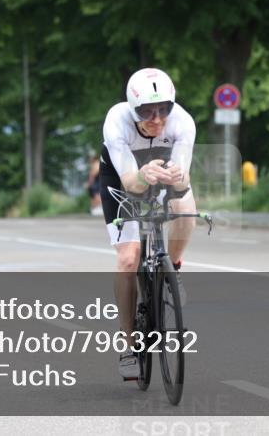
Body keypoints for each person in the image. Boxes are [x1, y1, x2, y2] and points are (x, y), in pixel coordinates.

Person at [99, 67, 197, 380]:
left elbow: (182, 181)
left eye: (163, 109)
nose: (156, 119)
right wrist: (143, 175)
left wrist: (177, 177)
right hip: (123, 179)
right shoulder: (116, 121)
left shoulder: (182, 121)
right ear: (132, 110)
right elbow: (131, 182)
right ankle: (127, 344)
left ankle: (174, 269)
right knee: (128, 259)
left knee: (183, 207)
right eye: (146, 112)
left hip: (163, 172)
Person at [85, 152, 102, 217]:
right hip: (99, 182)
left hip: (97, 182)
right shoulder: (99, 163)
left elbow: (92, 175)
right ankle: (95, 208)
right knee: (95, 194)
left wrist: (89, 183)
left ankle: (97, 208)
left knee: (96, 195)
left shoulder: (95, 164)